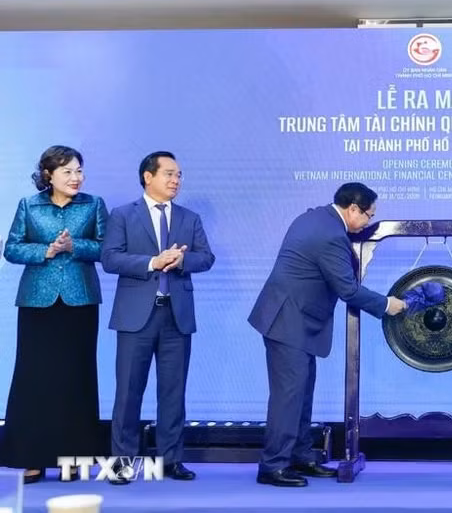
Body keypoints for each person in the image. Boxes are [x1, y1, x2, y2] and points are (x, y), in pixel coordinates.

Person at [248, 182, 407, 487]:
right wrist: (387, 304)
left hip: (296, 318)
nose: (368, 223)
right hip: (288, 320)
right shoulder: (331, 235)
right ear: (353, 209)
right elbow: (347, 289)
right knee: (288, 397)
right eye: (368, 216)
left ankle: (301, 457)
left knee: (302, 394)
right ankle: (273, 466)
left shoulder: (317, 217)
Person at [101, 151, 215, 484]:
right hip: (135, 318)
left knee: (173, 392)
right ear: (147, 176)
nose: (175, 180)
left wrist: (180, 262)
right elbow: (110, 259)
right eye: (169, 174)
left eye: (179, 175)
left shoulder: (189, 218)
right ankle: (121, 464)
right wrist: (153, 262)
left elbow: (206, 258)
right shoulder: (123, 215)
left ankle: (170, 460)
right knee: (128, 393)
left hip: (176, 316)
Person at [1, 145, 107, 484]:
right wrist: (46, 250)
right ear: (49, 175)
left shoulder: (93, 204)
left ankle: (72, 460)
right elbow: (12, 248)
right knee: (35, 380)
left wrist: (75, 246)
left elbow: (107, 248)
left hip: (79, 301)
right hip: (37, 303)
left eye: (79, 171)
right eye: (68, 172)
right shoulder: (28, 206)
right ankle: (31, 458)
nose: (77, 177)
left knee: (75, 379)